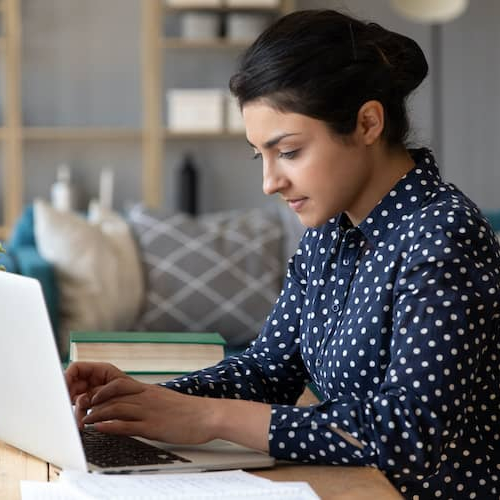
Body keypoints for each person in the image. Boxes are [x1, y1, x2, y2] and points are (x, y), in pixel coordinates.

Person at [65, 9, 500, 499]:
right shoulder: (330, 233)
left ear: (368, 123)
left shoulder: (443, 235)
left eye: (288, 151)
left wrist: (211, 417)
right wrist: (149, 399)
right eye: (262, 155)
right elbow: (270, 369)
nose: (270, 182)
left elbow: (408, 433)